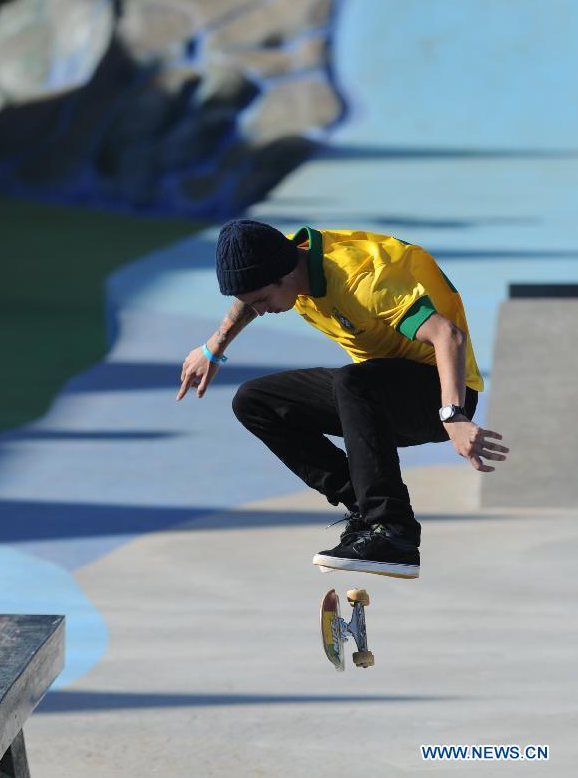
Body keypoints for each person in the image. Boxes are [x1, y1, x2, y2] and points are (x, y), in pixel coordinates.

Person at [177, 220, 509, 578]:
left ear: (285, 274)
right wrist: (214, 347)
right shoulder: (283, 256)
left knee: (354, 382)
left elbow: (448, 336)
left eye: (262, 301)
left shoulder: (362, 279)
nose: (259, 310)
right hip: (375, 395)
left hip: (439, 392)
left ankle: (393, 532)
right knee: (254, 400)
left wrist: (454, 415)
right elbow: (248, 298)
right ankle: (364, 509)